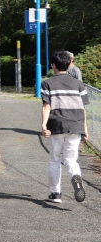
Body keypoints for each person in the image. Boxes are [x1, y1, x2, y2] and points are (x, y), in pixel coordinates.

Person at [41, 51, 88, 203]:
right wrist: (84, 129)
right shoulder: (79, 84)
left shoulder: (47, 83)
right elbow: (83, 108)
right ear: (69, 65)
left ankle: (55, 194)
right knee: (71, 160)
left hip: (56, 125)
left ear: (53, 65)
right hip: (75, 124)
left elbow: (47, 105)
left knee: (55, 159)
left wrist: (43, 125)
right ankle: (76, 177)